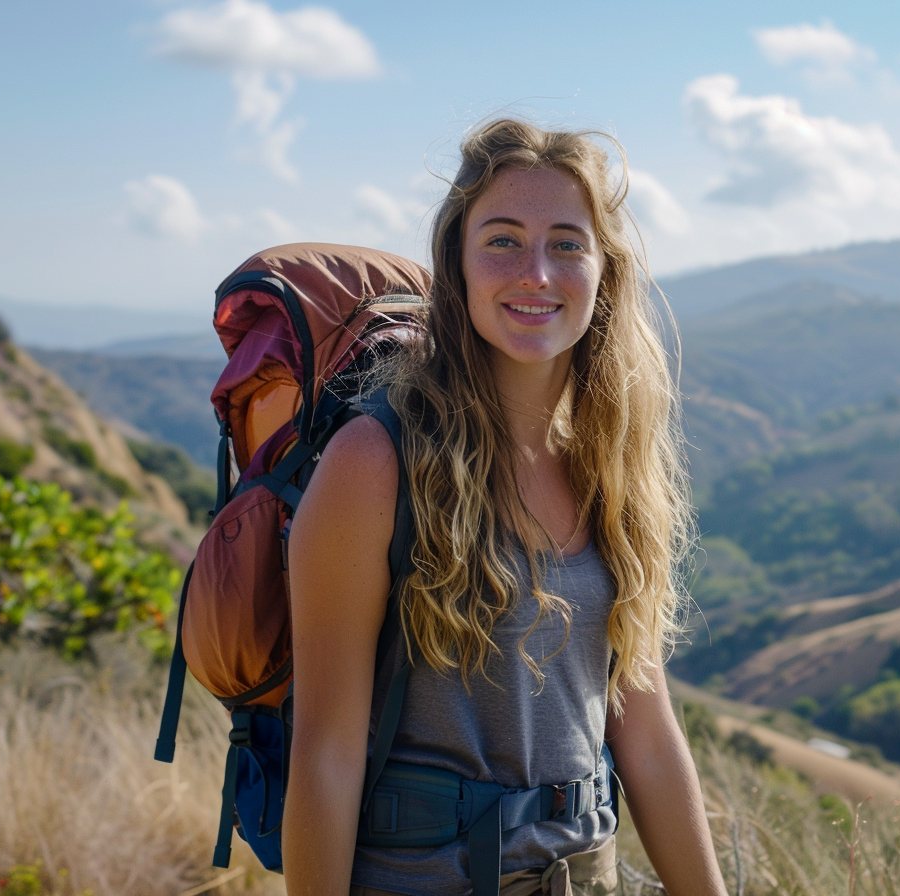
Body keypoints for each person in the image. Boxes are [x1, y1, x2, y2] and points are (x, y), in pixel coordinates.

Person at [282, 118, 727, 896]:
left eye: (566, 243)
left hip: (586, 878)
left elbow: (647, 736)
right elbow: (327, 752)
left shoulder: (612, 466)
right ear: (456, 263)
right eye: (502, 241)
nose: (536, 273)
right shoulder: (376, 461)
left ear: (604, 270)